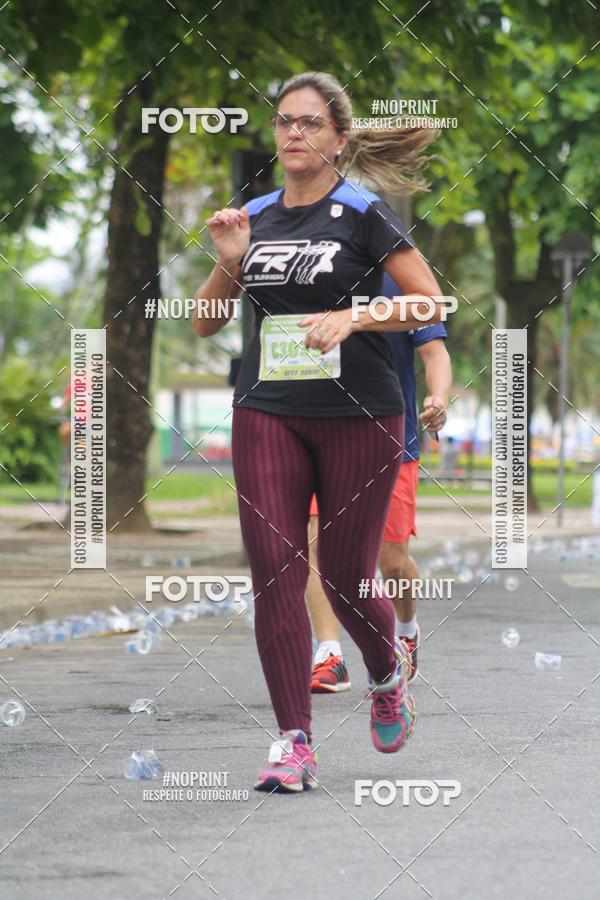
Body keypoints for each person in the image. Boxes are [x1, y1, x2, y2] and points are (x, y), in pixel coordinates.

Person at [192, 71, 445, 794]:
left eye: (308, 123)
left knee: (343, 571)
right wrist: (228, 263)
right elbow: (207, 323)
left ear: (337, 137)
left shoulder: (364, 212)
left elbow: (430, 301)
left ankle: (387, 671)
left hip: (360, 413)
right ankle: (293, 742)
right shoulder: (254, 215)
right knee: (274, 570)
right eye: (283, 122)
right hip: (267, 407)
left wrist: (358, 315)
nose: (293, 134)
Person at [307, 270, 451, 693]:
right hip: (323, 432)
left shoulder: (405, 281)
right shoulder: (313, 274)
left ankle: (405, 628)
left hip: (393, 437)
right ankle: (330, 655)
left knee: (391, 560)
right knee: (318, 545)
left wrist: (438, 397)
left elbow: (435, 354)